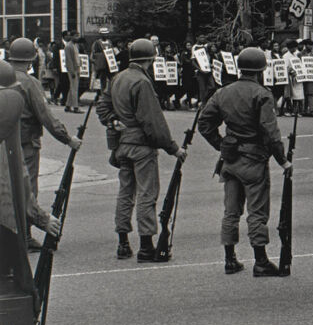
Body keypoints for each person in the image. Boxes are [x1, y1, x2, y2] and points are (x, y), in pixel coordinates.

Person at [198, 48, 292, 276]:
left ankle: (230, 259)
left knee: (231, 211)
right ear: (261, 70)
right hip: (254, 160)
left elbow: (205, 124)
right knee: (257, 211)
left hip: (230, 159)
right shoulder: (262, 94)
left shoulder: (223, 92)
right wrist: (283, 161)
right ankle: (260, 260)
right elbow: (270, 133)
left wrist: (221, 145)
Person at [96, 39, 187, 261]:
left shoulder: (118, 77)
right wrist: (173, 148)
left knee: (126, 193)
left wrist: (113, 121)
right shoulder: (142, 82)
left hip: (122, 144)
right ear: (150, 58)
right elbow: (152, 122)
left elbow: (102, 105)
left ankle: (123, 242)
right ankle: (146, 245)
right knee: (147, 193)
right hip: (141, 146)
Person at [5, 38, 81, 251]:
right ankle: (25, 235)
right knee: (27, 189)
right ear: (30, 60)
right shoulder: (30, 83)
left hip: (5, 143)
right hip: (26, 144)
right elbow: (46, 117)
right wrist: (68, 139)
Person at [91, 27, 115, 94]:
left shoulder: (110, 42)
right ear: (100, 34)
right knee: (102, 80)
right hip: (102, 65)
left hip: (109, 64)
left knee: (111, 79)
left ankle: (109, 93)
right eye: (103, 34)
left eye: (106, 34)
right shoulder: (97, 43)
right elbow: (93, 53)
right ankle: (101, 94)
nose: (105, 35)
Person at [62, 30, 81, 113]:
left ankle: (68, 105)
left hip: (77, 68)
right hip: (72, 69)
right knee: (74, 89)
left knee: (72, 87)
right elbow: (68, 60)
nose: (78, 37)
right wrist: (72, 71)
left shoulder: (75, 45)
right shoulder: (68, 46)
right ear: (72, 36)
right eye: (76, 36)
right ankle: (75, 107)